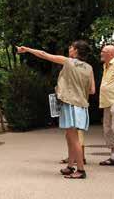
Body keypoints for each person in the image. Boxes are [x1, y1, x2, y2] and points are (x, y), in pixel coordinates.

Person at [17, 41, 95, 179]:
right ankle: (70, 166)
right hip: (81, 105)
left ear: (76, 51)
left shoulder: (68, 62)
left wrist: (27, 49)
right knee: (70, 136)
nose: (69, 48)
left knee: (73, 137)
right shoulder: (89, 68)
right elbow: (92, 90)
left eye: (71, 47)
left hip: (70, 103)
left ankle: (81, 170)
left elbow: (44, 54)